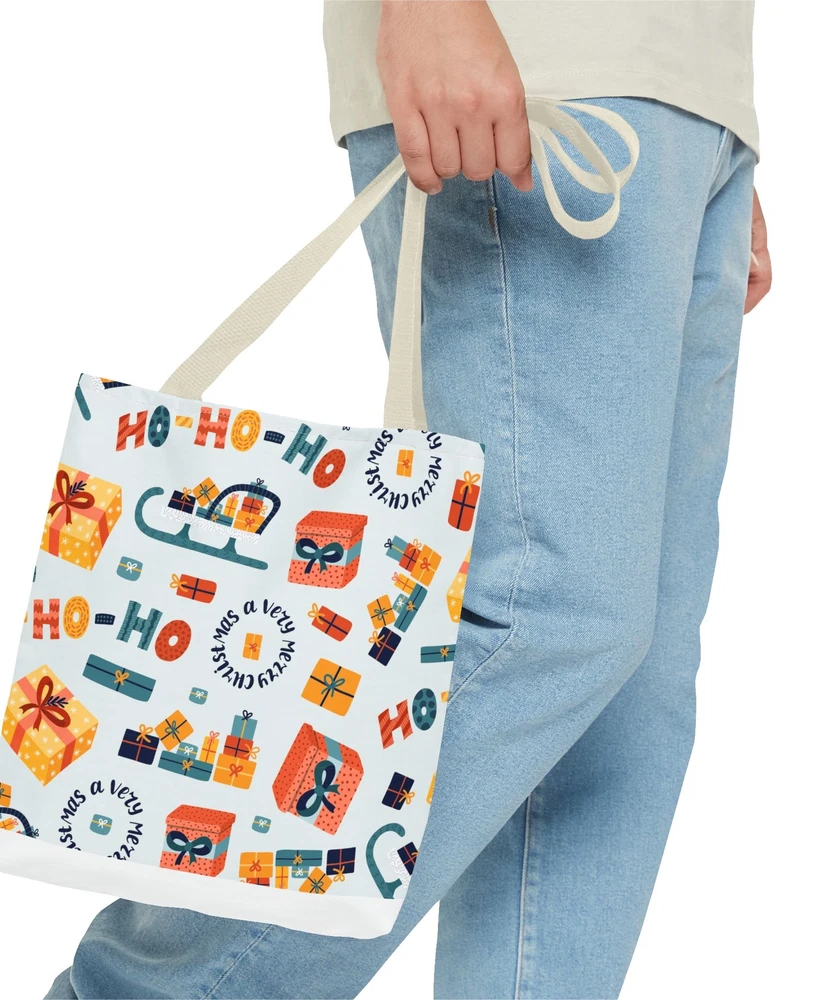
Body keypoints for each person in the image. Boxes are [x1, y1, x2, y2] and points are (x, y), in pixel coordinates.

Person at [47, 2, 771, 997]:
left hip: (682, 96)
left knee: (625, 700)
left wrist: (710, 120)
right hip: (539, 60)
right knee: (543, 616)